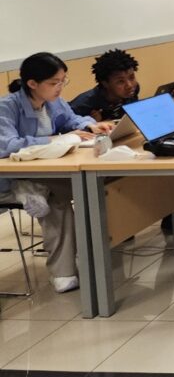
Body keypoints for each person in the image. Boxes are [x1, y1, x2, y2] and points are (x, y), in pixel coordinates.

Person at [0, 53, 115, 292]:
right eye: (54, 82)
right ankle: (63, 273)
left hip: (43, 173)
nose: (60, 87)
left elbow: (72, 119)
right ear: (32, 83)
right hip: (9, 178)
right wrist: (54, 139)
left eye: (63, 81)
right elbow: (7, 145)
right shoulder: (7, 107)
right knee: (57, 198)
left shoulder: (53, 102)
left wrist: (90, 125)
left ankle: (34, 192)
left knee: (97, 185)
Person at [70, 49, 141, 121]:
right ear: (105, 83)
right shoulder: (83, 104)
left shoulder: (133, 91)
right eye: (120, 81)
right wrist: (92, 123)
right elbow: (66, 125)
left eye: (132, 77)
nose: (129, 85)